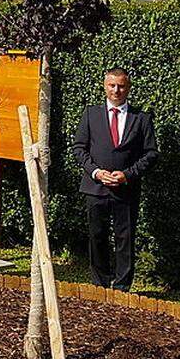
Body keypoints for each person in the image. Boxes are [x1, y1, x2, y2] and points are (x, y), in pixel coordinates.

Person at [71, 68, 158, 292]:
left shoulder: (142, 118)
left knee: (125, 238)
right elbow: (79, 148)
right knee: (97, 236)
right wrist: (96, 172)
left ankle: (122, 287)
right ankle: (99, 284)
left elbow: (151, 153)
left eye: (121, 86)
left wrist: (127, 174)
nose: (116, 90)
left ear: (128, 88)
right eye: (112, 85)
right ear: (105, 86)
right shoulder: (91, 114)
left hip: (126, 189)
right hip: (95, 187)